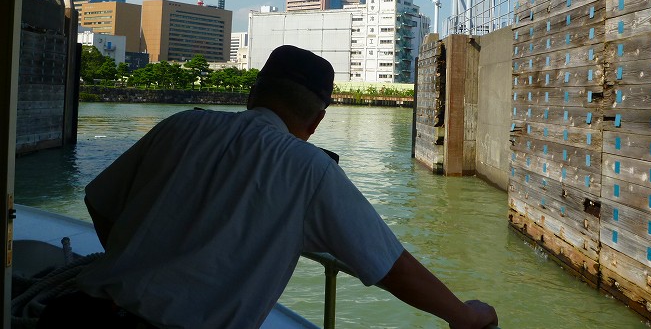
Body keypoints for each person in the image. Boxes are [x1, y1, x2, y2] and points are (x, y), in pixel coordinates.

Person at [38, 45, 498, 329]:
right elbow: (390, 266)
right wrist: (465, 315)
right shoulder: (310, 170)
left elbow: (99, 201)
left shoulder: (180, 125)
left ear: (252, 93)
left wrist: (136, 261)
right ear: (317, 121)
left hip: (82, 311)